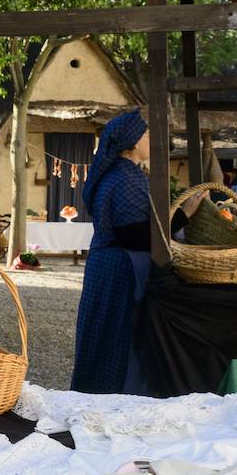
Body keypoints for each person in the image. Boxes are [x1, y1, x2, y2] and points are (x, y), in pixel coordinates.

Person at [71, 110, 156, 394]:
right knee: (118, 337)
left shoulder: (123, 174)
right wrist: (185, 216)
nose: (151, 138)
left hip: (109, 267)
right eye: (146, 134)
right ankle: (116, 401)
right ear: (131, 143)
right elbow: (133, 234)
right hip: (120, 268)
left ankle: (97, 397)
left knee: (103, 336)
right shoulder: (125, 177)